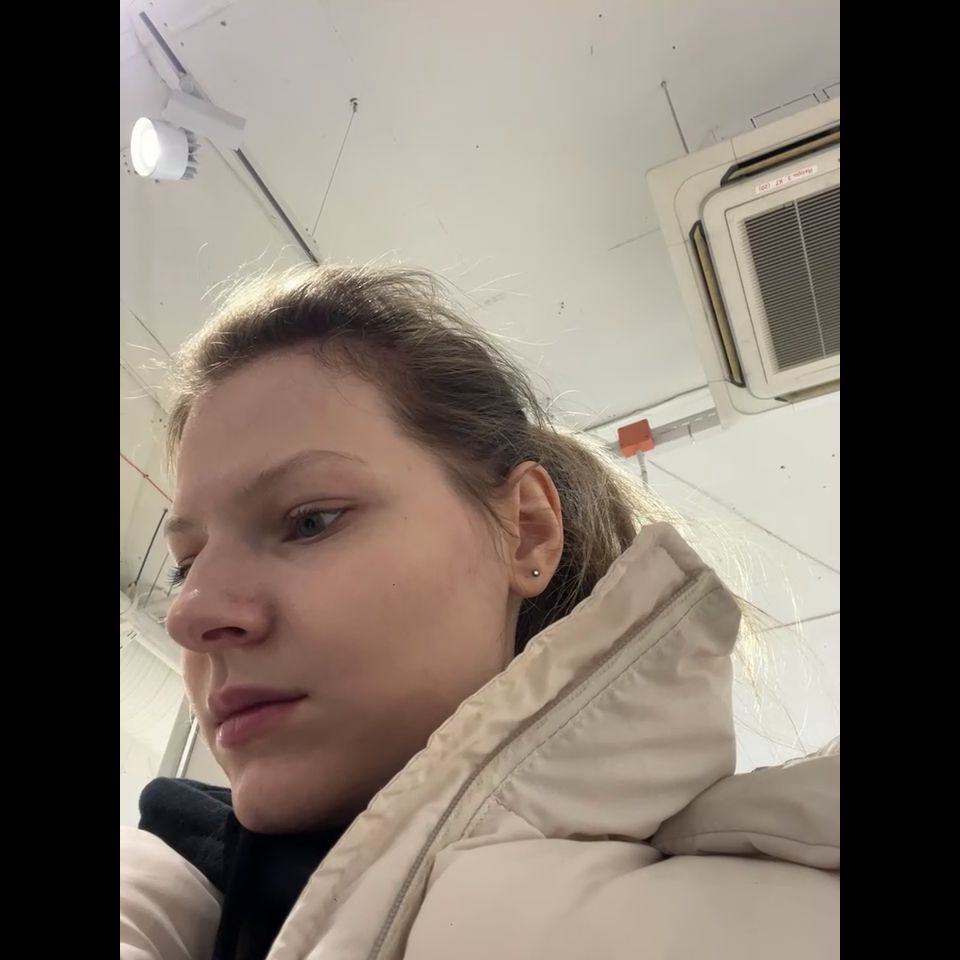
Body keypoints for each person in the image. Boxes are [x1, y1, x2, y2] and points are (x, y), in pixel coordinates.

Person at [120, 265, 839, 960]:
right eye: (187, 563)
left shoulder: (779, 889)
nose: (188, 616)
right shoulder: (169, 879)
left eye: (310, 520)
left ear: (525, 531)